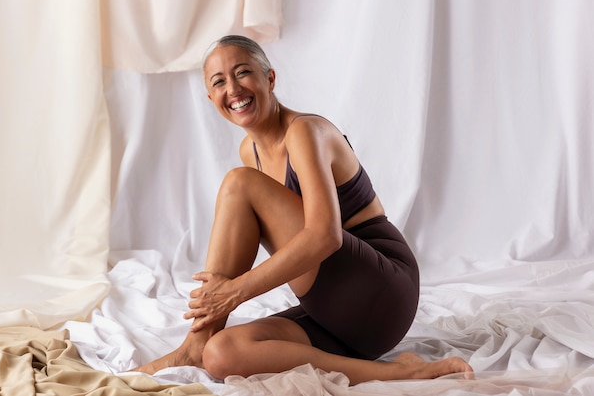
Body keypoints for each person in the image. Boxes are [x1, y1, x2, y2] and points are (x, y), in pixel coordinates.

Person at [132, 35, 473, 384]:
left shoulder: (304, 131)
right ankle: (398, 371)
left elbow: (324, 236)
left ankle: (194, 343)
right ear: (211, 98)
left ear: (270, 79)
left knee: (239, 183)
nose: (232, 88)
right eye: (219, 82)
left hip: (380, 290)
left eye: (242, 73)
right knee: (221, 355)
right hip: (337, 318)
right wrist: (226, 295)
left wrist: (234, 292)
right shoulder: (250, 151)